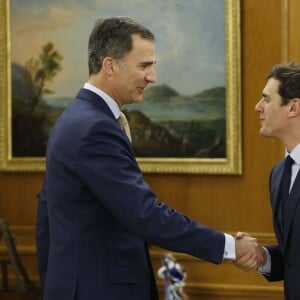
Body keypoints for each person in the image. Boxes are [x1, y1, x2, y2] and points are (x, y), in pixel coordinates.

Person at [36, 17, 265, 300]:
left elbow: (46, 213)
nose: (153, 77)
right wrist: (229, 246)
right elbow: (145, 214)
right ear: (110, 65)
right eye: (144, 66)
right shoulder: (94, 127)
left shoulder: (75, 118)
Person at [235, 62, 300, 299]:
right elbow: (293, 259)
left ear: (293, 107)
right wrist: (262, 258)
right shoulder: (279, 173)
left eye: (266, 99)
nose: (257, 107)